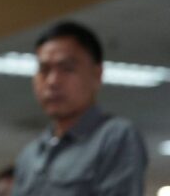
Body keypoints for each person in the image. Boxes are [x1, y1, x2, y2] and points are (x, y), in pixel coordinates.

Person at [12, 21, 147, 196]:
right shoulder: (30, 155)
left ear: (97, 74)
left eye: (67, 69)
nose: (52, 81)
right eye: (44, 70)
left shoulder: (114, 137)